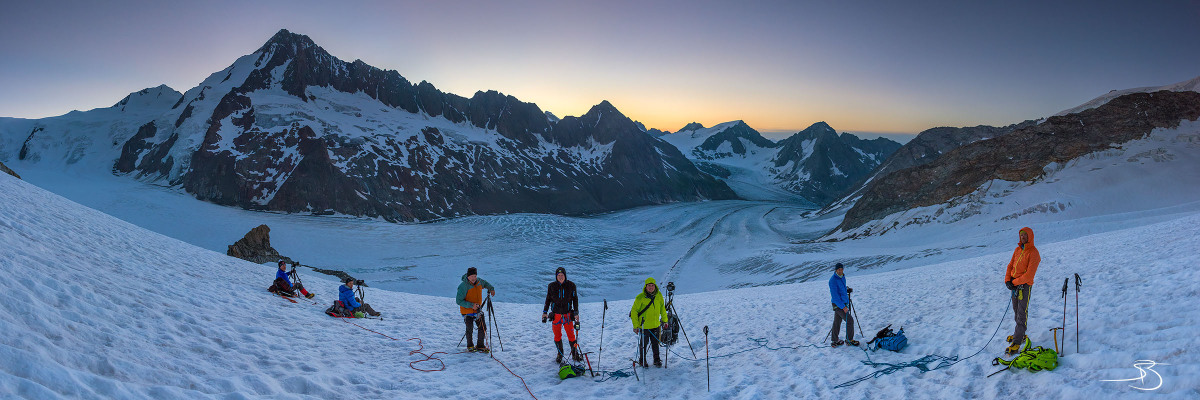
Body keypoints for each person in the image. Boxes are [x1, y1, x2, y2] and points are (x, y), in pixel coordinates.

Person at [1004, 227, 1040, 355]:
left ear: (1030, 236)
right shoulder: (1018, 250)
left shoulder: (1034, 253)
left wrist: (1013, 282)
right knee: (1016, 310)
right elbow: (1010, 265)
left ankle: (1017, 341)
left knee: (1021, 312)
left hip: (1024, 286)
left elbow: (1029, 275)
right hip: (1014, 285)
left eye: (1025, 235)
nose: (1023, 237)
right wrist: (1007, 280)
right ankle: (1020, 334)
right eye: (1021, 235)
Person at [543, 267, 581, 363]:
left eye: (562, 275)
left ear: (565, 276)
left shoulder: (571, 285)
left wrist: (576, 313)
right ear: (556, 276)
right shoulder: (551, 286)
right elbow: (548, 300)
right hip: (556, 316)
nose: (560, 277)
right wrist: (544, 312)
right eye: (558, 275)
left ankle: (575, 354)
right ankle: (560, 354)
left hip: (567, 315)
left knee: (571, 336)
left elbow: (575, 299)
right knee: (557, 336)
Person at [629, 277, 667, 368]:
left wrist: (665, 320)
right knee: (643, 345)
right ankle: (642, 360)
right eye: (649, 285)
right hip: (644, 326)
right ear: (645, 287)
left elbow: (662, 308)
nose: (651, 287)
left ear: (655, 286)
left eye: (652, 285)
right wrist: (635, 326)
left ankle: (656, 360)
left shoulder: (659, 295)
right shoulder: (640, 297)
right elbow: (634, 312)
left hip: (656, 325)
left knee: (655, 344)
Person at [457, 267, 496, 352]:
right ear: (468, 276)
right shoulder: (463, 286)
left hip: (477, 310)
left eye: (475, 276)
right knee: (469, 329)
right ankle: (470, 346)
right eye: (472, 276)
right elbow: (458, 301)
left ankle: (480, 345)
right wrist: (471, 305)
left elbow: (485, 284)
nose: (473, 278)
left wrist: (491, 289)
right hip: (467, 311)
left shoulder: (479, 281)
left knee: (482, 327)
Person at [829, 263, 858, 347]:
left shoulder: (842, 277)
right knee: (850, 320)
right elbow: (835, 297)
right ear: (836, 270)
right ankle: (849, 340)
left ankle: (835, 340)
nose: (840, 271)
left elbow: (841, 288)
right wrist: (843, 307)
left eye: (841, 269)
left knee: (837, 321)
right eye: (839, 269)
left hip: (843, 302)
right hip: (838, 304)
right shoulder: (833, 280)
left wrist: (846, 289)